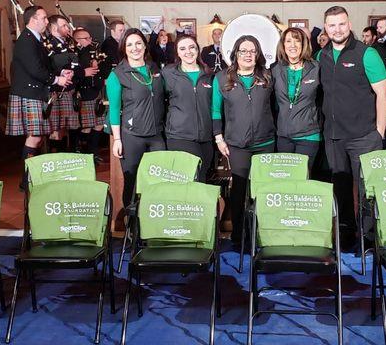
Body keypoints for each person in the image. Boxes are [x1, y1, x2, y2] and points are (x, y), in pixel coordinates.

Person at [317, 6, 386, 250]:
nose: (337, 29)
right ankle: (346, 236)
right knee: (341, 189)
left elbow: (383, 92)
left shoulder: (366, 53)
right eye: (332, 25)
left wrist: (379, 131)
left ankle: (368, 239)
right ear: (326, 27)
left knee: (368, 191)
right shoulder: (321, 56)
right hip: (334, 137)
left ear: (349, 24)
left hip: (364, 136)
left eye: (341, 24)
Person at [212, 35, 275, 245]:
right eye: (243, 51)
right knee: (238, 191)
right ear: (235, 54)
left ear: (258, 54)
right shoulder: (222, 78)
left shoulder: (267, 77)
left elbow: (275, 107)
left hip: (265, 144)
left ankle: (261, 235)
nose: (247, 55)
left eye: (252, 51)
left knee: (263, 192)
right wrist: (219, 138)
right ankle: (239, 237)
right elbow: (215, 111)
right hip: (237, 145)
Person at [5, 6, 72, 189]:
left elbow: (44, 64)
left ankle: (30, 178)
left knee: (39, 137)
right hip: (29, 94)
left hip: (35, 94)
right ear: (33, 20)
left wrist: (60, 72)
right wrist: (56, 79)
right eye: (43, 18)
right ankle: (25, 181)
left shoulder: (36, 39)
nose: (46, 21)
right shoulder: (26, 40)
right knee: (34, 137)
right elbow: (34, 69)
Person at [106, 28, 165, 207]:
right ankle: (131, 227)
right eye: (129, 44)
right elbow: (114, 110)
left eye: (138, 43)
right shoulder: (116, 75)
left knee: (159, 183)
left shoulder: (154, 68)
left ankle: (153, 226)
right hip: (132, 137)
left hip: (156, 136)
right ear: (124, 48)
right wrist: (117, 139)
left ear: (145, 46)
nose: (135, 48)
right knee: (131, 185)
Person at [162, 35, 214, 182]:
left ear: (197, 50)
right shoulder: (168, 74)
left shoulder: (209, 75)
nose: (188, 52)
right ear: (177, 53)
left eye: (192, 47)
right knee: (193, 180)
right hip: (180, 136)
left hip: (205, 137)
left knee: (203, 176)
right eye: (183, 48)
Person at [272, 27, 321, 171]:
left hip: (308, 135)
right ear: (283, 45)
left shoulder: (316, 68)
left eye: (297, 41)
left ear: (303, 44)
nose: (292, 45)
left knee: (302, 179)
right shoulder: (275, 69)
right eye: (288, 41)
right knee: (286, 179)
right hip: (283, 136)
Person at [46, 14, 82, 152]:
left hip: (70, 88)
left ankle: (71, 156)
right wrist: (61, 72)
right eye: (64, 26)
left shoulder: (68, 43)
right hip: (56, 89)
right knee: (57, 128)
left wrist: (72, 71)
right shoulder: (48, 44)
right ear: (54, 27)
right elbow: (48, 66)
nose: (68, 28)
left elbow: (76, 63)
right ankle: (57, 158)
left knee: (71, 125)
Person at [72, 28, 105, 161]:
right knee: (86, 126)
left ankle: (93, 151)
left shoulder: (94, 52)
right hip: (83, 92)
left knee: (99, 123)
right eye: (86, 39)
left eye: (90, 38)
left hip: (96, 90)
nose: (90, 41)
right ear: (77, 41)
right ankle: (83, 152)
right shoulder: (74, 55)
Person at [363, 26, 386, 148]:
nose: (364, 39)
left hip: (385, 83)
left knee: (384, 119)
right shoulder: (367, 49)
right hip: (373, 86)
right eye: (363, 36)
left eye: (367, 36)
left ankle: (383, 145)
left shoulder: (378, 50)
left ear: (374, 37)